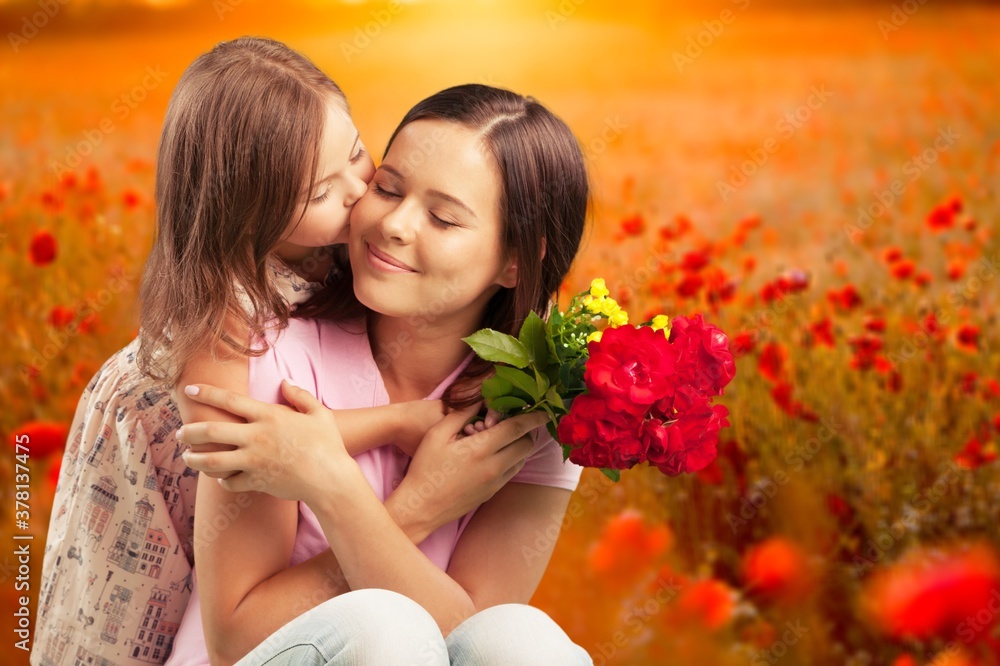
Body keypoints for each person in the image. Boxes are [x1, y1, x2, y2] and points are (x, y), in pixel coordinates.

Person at [34, 38, 522, 666]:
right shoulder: (221, 309)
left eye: (357, 158)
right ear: (248, 211)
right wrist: (399, 423)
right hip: (144, 524)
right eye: (321, 193)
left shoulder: (338, 255)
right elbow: (246, 444)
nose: (357, 196)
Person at [174, 84, 594, 665]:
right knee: (384, 626)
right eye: (386, 187)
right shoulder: (266, 351)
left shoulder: (533, 412)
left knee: (524, 641)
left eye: (443, 218)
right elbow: (234, 637)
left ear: (516, 259)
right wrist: (416, 504)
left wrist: (334, 484)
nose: (394, 224)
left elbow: (469, 644)